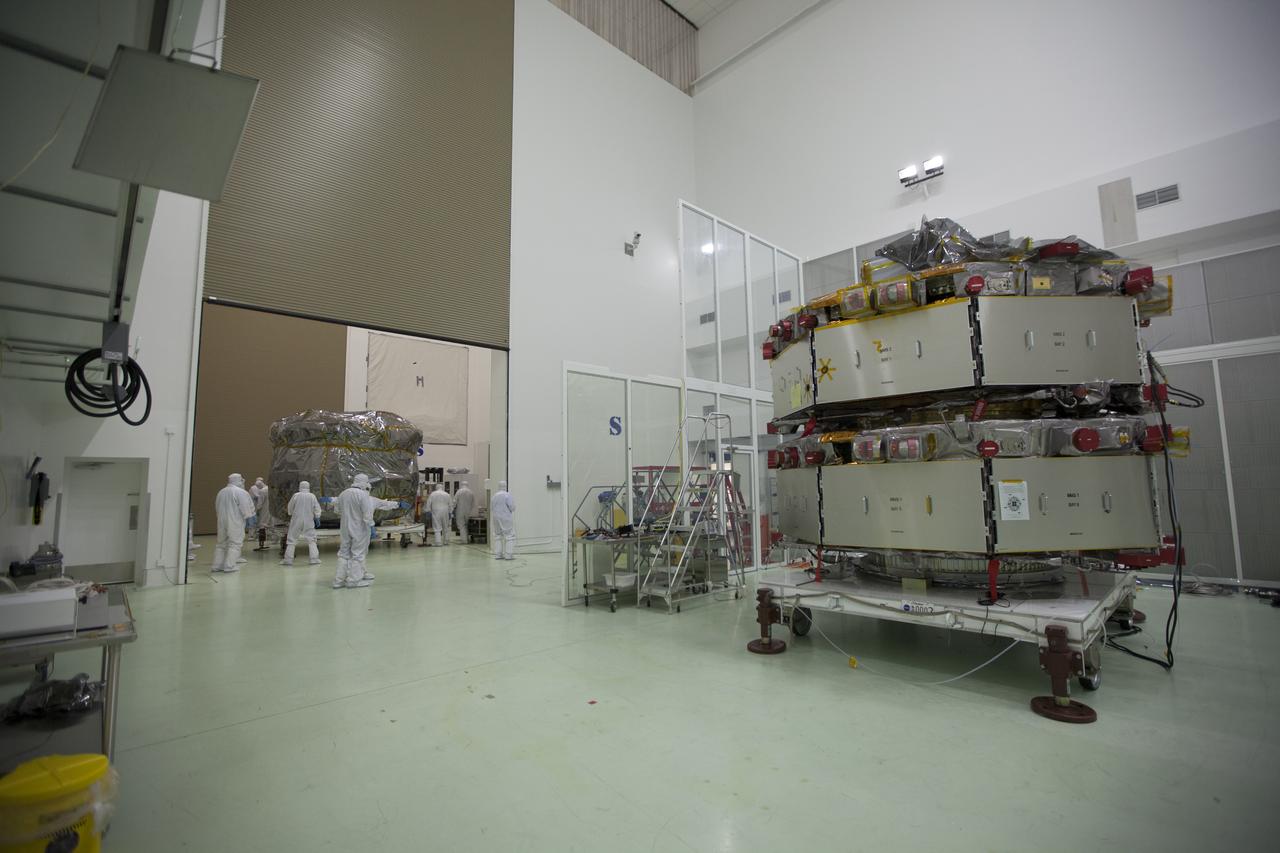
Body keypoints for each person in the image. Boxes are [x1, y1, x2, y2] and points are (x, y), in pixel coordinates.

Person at [333, 473, 401, 588]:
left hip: (345, 528)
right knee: (358, 554)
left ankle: (338, 581)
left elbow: (337, 510)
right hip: (360, 529)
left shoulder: (343, 494)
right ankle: (354, 580)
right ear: (364, 482)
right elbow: (367, 514)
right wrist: (371, 526)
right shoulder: (363, 495)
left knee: (343, 553)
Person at [212, 473, 256, 572]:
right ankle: (229, 565)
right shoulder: (240, 492)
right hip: (235, 521)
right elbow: (245, 508)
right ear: (239, 480)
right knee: (235, 543)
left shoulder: (221, 491)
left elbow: (217, 506)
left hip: (221, 521)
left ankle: (217, 565)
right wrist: (250, 518)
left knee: (221, 543)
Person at [280, 481, 322, 567]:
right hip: (309, 520)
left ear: (300, 486)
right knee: (312, 539)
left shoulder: (296, 495)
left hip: (296, 520)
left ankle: (288, 560)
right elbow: (317, 507)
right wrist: (317, 517)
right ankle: (314, 559)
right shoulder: (312, 496)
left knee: (292, 539)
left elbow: (290, 507)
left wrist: (290, 513)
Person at [490, 481, 515, 560]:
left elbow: (491, 507)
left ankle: (498, 554)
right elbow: (512, 507)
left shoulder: (494, 496)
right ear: (505, 486)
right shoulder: (507, 495)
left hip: (496, 518)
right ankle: (508, 555)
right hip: (505, 517)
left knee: (498, 536)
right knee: (509, 535)